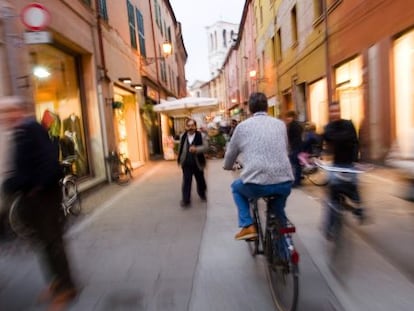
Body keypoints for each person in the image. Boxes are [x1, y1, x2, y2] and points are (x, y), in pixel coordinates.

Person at [0, 97, 78, 310]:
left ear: (17, 111)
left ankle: (67, 287)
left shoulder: (31, 128)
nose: (3, 118)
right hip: (32, 198)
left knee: (53, 244)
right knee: (44, 244)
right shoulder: (20, 132)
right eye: (1, 114)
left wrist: (36, 186)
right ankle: (56, 281)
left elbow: (49, 161)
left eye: (6, 113)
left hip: (43, 198)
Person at [223, 92, 294, 240]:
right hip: (285, 181)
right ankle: (285, 252)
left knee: (236, 188)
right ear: (267, 107)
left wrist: (228, 166)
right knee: (278, 211)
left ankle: (247, 225)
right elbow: (285, 148)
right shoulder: (280, 124)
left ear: (249, 109)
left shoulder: (242, 127)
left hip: (257, 184)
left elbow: (231, 153)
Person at [322, 101, 363, 234]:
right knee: (332, 193)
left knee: (354, 187)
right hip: (336, 164)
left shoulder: (348, 124)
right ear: (329, 113)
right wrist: (317, 155)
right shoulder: (328, 127)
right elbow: (325, 141)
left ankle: (359, 208)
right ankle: (329, 226)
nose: (334, 113)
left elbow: (355, 142)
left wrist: (356, 159)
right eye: (332, 111)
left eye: (336, 110)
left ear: (340, 111)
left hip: (349, 163)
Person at [177, 118, 208, 207]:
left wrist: (197, 149)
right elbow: (180, 148)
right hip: (186, 163)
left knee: (200, 181)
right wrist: (179, 159)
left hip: (198, 163)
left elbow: (206, 147)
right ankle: (186, 200)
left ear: (195, 126)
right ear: (186, 127)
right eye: (189, 126)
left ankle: (202, 194)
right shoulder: (183, 136)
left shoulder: (201, 135)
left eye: (192, 126)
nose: (191, 128)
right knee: (187, 181)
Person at [285, 110, 303, 187]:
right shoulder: (297, 124)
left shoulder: (293, 125)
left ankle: (296, 181)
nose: (287, 119)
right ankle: (297, 179)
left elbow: (290, 136)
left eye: (289, 117)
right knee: (296, 164)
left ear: (292, 117)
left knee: (295, 164)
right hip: (297, 146)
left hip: (295, 146)